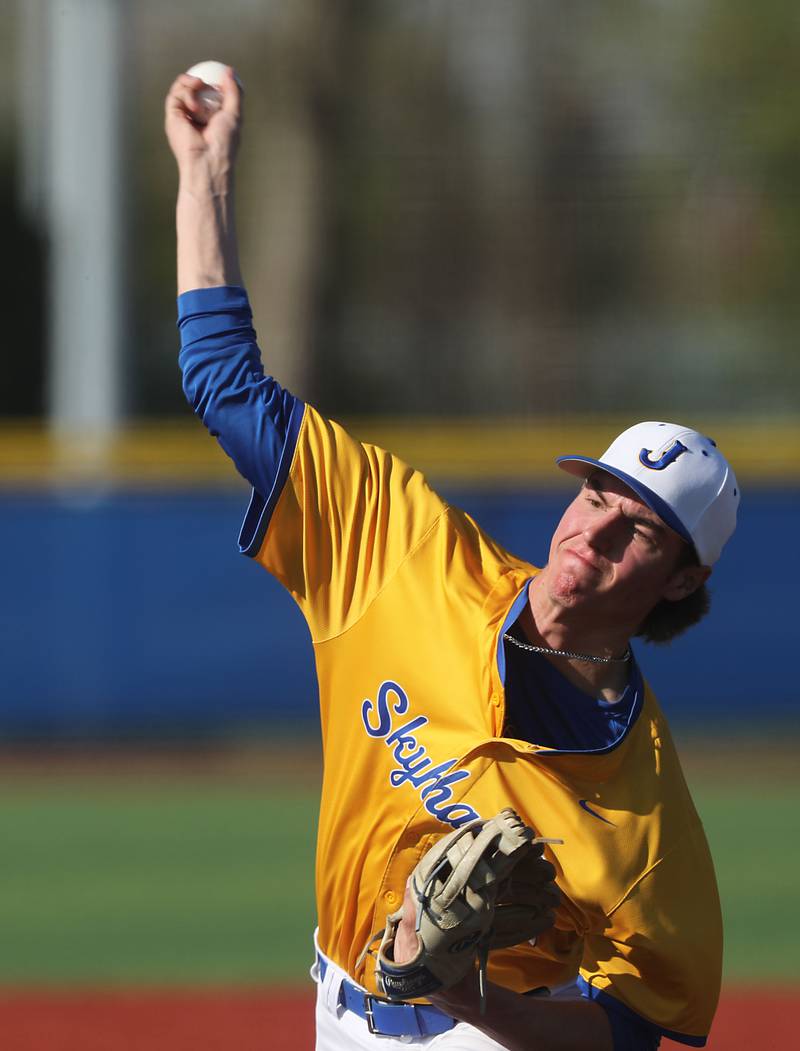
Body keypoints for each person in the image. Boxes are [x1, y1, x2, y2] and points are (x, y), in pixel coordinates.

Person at [165, 68, 739, 1051]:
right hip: (332, 1003)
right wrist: (204, 172)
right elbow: (223, 383)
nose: (590, 530)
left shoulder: (640, 819)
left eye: (635, 528)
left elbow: (642, 1026)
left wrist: (475, 1000)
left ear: (678, 579)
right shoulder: (405, 555)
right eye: (594, 493)